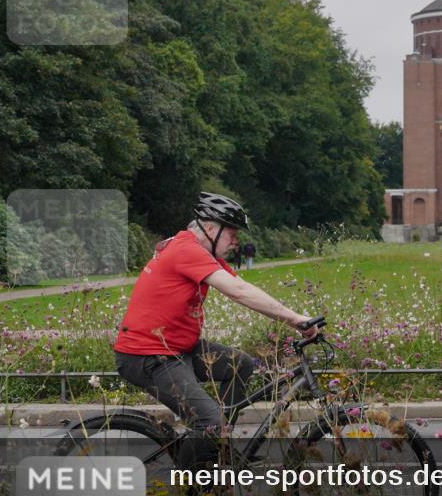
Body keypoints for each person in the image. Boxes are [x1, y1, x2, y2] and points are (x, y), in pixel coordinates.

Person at [113, 192, 319, 469]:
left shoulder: (198, 252)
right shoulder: (186, 250)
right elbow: (238, 292)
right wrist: (296, 320)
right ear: (210, 228)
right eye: (232, 234)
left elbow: (244, 287)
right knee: (209, 421)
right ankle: (193, 485)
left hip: (177, 348)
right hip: (148, 355)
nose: (236, 242)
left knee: (240, 364)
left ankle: (216, 448)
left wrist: (293, 316)